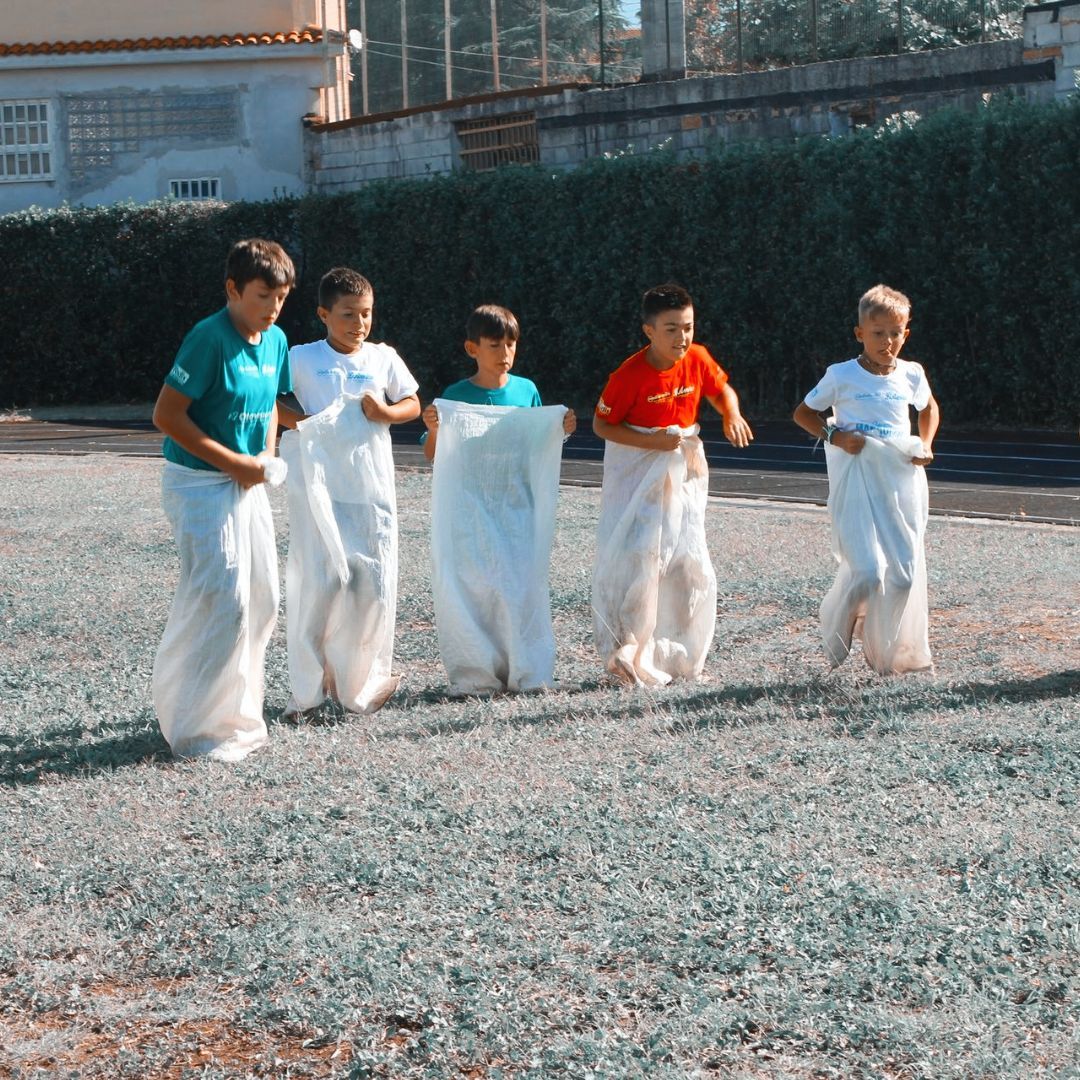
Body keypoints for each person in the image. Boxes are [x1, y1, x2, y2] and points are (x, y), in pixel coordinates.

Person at [151, 238, 294, 761]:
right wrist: (234, 464)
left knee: (262, 599)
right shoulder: (207, 338)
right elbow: (166, 417)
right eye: (262, 296)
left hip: (246, 481)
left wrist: (265, 457)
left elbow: (274, 406)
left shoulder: (275, 339)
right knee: (224, 598)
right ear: (232, 289)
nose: (273, 308)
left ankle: (236, 718)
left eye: (281, 298)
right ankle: (193, 727)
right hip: (198, 484)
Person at [591, 283, 753, 685]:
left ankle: (677, 653)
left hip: (683, 468)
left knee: (686, 560)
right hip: (637, 470)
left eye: (688, 327)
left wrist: (730, 412)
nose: (682, 338)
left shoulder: (696, 358)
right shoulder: (628, 376)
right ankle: (627, 648)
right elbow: (601, 425)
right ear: (649, 331)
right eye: (671, 329)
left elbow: (720, 389)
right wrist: (651, 442)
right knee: (642, 558)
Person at [276, 267, 420, 716]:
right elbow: (268, 399)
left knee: (371, 584)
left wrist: (387, 412)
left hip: (369, 490)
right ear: (323, 314)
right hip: (318, 490)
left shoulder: (382, 358)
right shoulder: (301, 357)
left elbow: (413, 402)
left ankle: (358, 682)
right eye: (348, 314)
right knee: (321, 584)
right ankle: (308, 692)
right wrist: (304, 425)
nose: (359, 324)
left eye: (366, 314)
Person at [422, 304, 576, 694]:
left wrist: (563, 429)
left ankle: (527, 669)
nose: (505, 353)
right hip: (471, 508)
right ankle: (478, 672)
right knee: (477, 585)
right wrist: (436, 430)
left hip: (516, 505)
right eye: (495, 345)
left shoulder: (526, 391)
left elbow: (538, 442)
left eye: (511, 344)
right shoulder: (455, 397)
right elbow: (432, 454)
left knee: (520, 585)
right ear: (472, 348)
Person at [793, 283, 940, 674]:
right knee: (867, 572)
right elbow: (803, 413)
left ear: (906, 333)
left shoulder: (911, 374)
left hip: (899, 482)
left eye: (896, 333)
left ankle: (885, 652)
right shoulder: (841, 375)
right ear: (860, 333)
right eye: (878, 333)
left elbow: (929, 410)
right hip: (856, 481)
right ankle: (838, 625)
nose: (887, 342)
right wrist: (835, 436)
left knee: (904, 577)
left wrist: (924, 443)